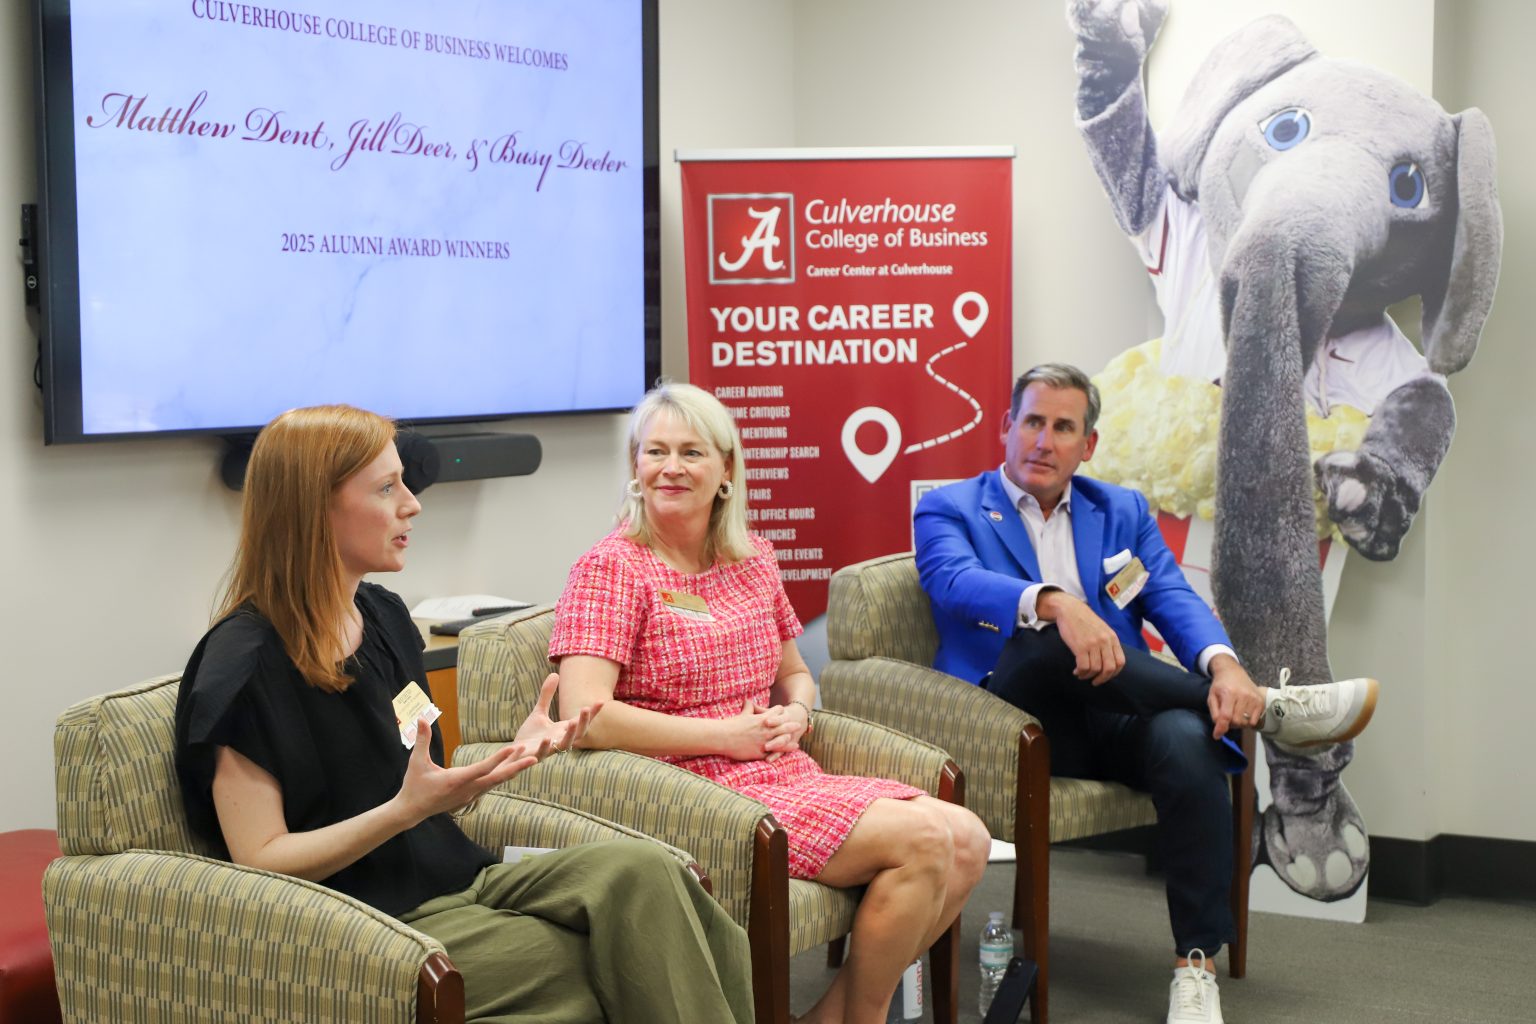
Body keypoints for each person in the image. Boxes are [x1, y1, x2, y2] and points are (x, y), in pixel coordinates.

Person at [173, 404, 753, 1024]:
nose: (412, 505)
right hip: (371, 921)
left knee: (658, 878)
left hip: (458, 876)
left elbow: (422, 777)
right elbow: (261, 859)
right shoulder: (242, 665)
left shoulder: (384, 617)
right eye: (386, 488)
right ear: (315, 508)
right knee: (612, 954)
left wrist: (506, 758)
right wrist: (404, 811)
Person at [913, 364, 1379, 1024]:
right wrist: (1058, 604)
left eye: (1063, 427)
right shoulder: (950, 506)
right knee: (1047, 640)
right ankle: (1273, 713)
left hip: (1116, 709)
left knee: (1188, 737)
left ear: (1088, 445)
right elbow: (953, 579)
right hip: (1013, 721)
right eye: (1033, 422)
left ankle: (1195, 964)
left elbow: (1169, 596)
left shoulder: (1120, 510)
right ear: (1007, 428)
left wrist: (1225, 668)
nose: (1043, 440)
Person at [550, 381, 991, 1024]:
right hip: (689, 788)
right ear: (635, 466)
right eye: (655, 452)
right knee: (924, 838)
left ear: (726, 469)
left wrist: (799, 712)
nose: (671, 468)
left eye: (691, 453)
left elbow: (796, 675)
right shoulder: (611, 568)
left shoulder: (752, 558)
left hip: (778, 769)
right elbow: (583, 717)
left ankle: (832, 1018)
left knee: (970, 838)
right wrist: (724, 737)